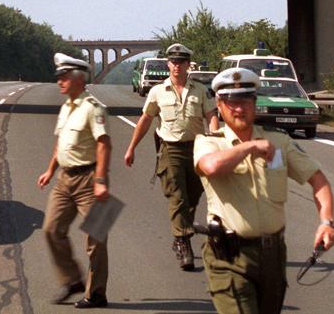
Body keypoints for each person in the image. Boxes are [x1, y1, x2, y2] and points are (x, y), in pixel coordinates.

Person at [195, 68, 334, 314]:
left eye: (245, 101)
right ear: (219, 104)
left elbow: (318, 180)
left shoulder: (279, 142)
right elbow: (211, 166)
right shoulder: (210, 142)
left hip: (273, 255)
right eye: (231, 103)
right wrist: (250, 147)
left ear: (255, 102)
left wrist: (327, 222)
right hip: (230, 257)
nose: (239, 109)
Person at [123, 43, 219, 270]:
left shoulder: (200, 90)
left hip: (198, 148)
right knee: (177, 195)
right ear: (168, 64)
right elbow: (146, 120)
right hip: (171, 149)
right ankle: (185, 243)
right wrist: (131, 147)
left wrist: (216, 140)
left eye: (181, 62)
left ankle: (178, 236)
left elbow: (211, 116)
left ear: (188, 65)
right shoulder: (158, 91)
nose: (177, 66)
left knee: (193, 195)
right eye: (173, 62)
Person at [37, 53, 112, 309]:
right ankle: (72, 280)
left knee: (96, 238)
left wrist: (101, 180)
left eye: (64, 76)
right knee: (51, 229)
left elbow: (104, 145)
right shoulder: (65, 107)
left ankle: (97, 293)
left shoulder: (94, 108)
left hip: (91, 178)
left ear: (79, 79)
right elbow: (61, 143)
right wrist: (49, 170)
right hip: (64, 178)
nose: (59, 81)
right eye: (59, 77)